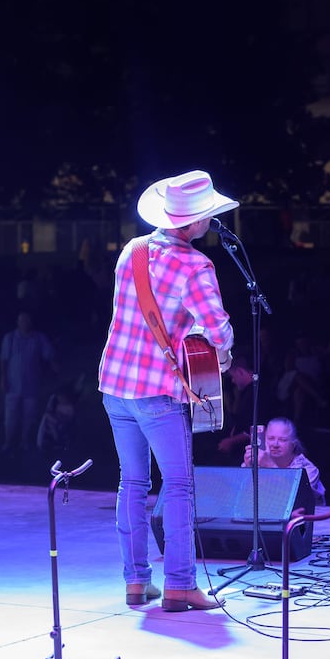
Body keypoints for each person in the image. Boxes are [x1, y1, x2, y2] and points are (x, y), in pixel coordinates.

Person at [98, 170, 237, 614]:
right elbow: (218, 330)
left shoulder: (131, 251)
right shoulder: (196, 266)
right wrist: (219, 351)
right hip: (158, 392)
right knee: (178, 486)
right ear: (194, 222)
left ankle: (136, 583)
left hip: (116, 384)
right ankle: (180, 585)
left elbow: (136, 315)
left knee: (132, 483)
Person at [0, 311, 56, 454]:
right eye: (21, 320)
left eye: (26, 320)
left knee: (29, 415)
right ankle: (8, 441)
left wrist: (55, 366)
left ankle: (24, 441)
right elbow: (4, 360)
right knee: (10, 415)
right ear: (18, 322)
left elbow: (48, 354)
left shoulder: (38, 338)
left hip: (32, 383)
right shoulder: (10, 338)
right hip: (13, 383)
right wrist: (3, 378)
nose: (24, 323)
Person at [241, 416, 327, 506]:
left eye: (282, 440)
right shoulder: (258, 463)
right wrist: (248, 470)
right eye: (271, 438)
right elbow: (242, 498)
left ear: (293, 445)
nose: (275, 444)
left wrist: (270, 466)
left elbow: (294, 499)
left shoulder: (308, 470)